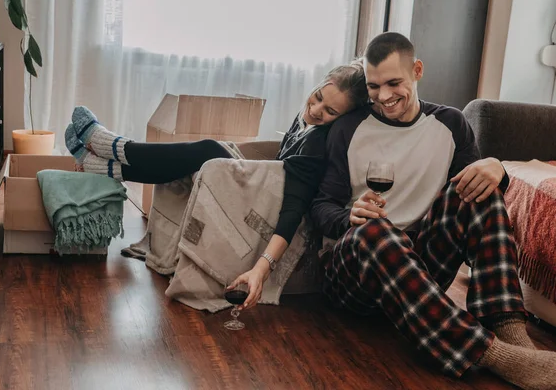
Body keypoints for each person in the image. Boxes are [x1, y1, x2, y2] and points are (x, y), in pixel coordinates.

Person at [310, 32, 556, 390]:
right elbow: (320, 206)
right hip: (355, 270)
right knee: (379, 232)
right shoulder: (348, 128)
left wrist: (497, 168)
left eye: (394, 82)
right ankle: (495, 356)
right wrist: (348, 216)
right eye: (374, 86)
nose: (383, 96)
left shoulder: (451, 123)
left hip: (419, 270)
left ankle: (512, 333)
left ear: (417, 71)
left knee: (478, 189)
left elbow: (479, 202)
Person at [65, 61, 369, 310]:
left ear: (341, 118)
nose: (316, 110)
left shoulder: (317, 142)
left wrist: (263, 267)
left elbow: (293, 207)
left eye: (330, 112)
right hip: (258, 192)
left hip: (261, 207)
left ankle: (110, 148)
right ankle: (105, 164)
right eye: (317, 97)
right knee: (195, 158)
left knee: (208, 151)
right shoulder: (306, 123)